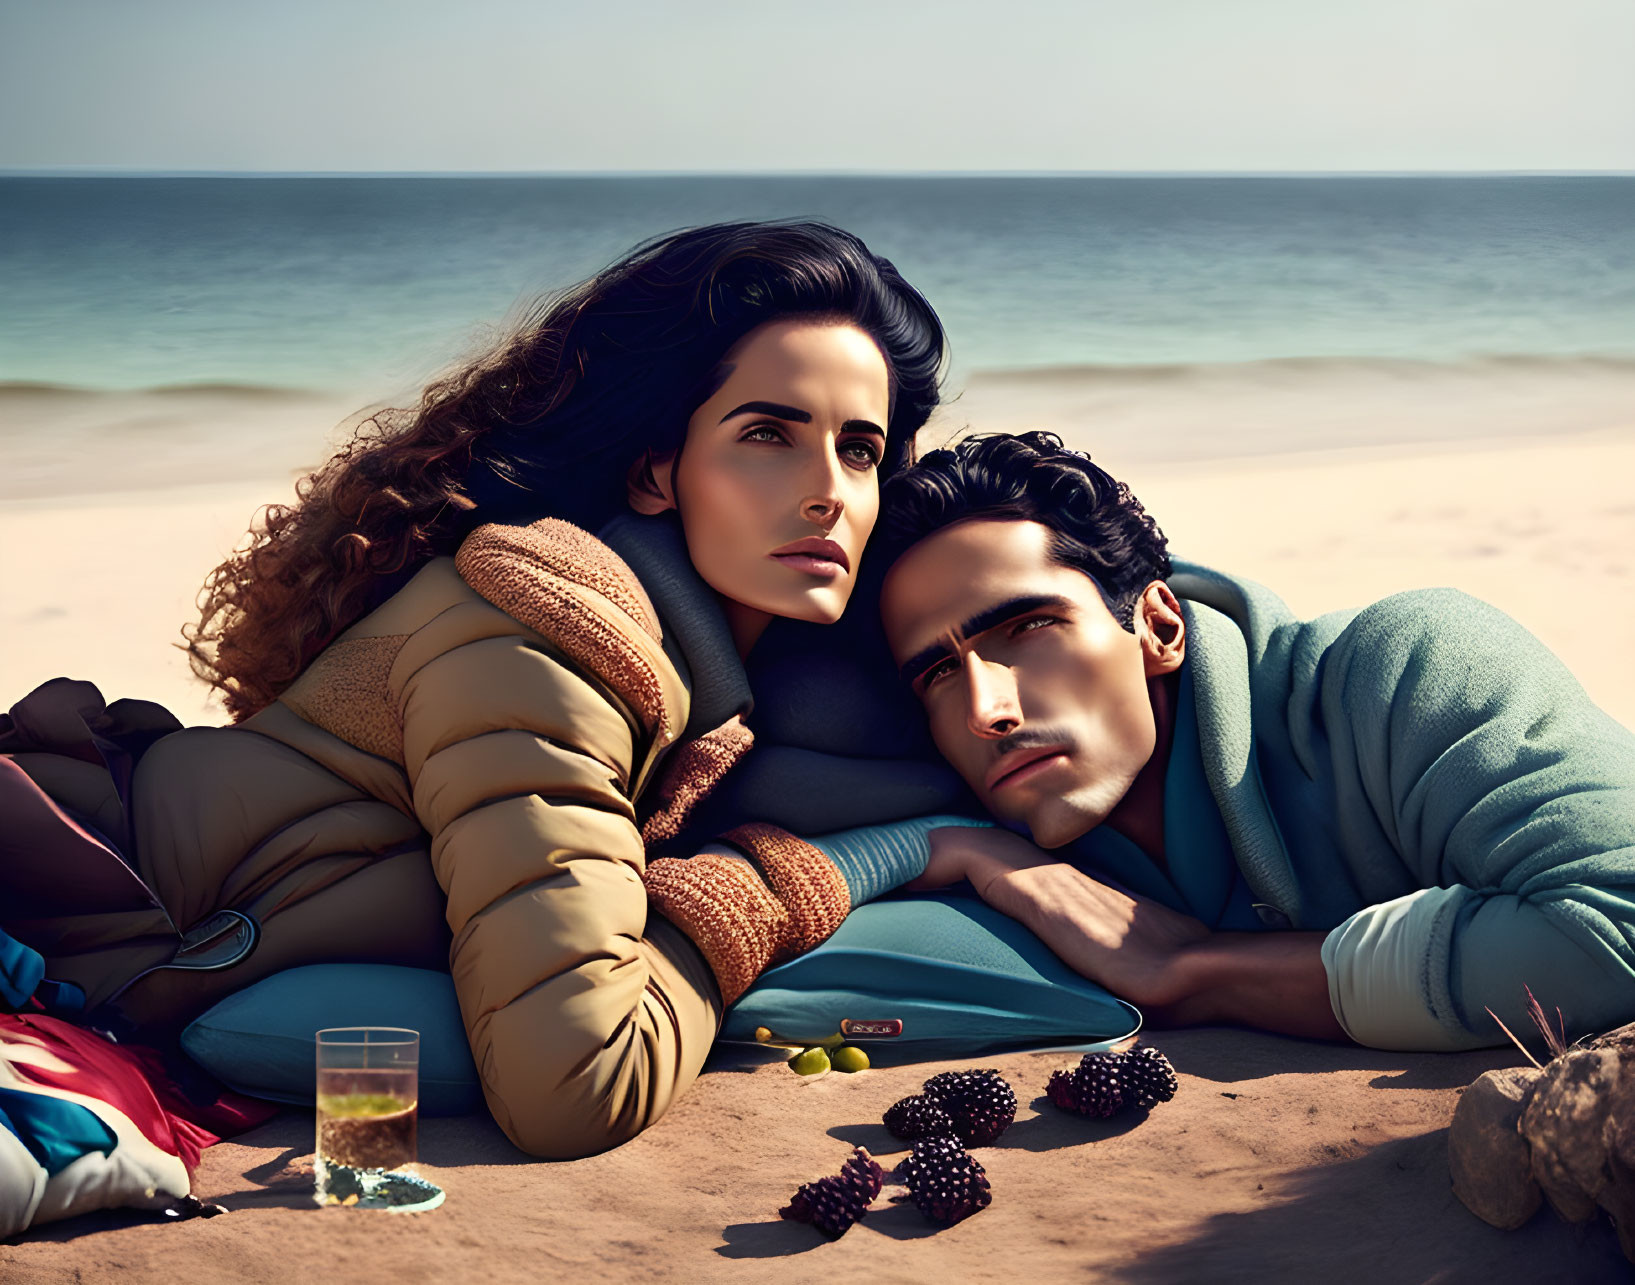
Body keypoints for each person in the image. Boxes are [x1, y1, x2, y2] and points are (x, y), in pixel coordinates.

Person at [0, 221, 979, 1160]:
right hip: (68, 933)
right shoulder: (545, 652)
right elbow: (579, 1087)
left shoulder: (697, 679)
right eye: (769, 433)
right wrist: (796, 877)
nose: (829, 491)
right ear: (655, 470)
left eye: (860, 449)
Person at [874, 431, 1635, 1051]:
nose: (985, 709)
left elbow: (1614, 928)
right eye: (938, 672)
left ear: (1159, 627)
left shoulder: (1407, 668)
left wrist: (1197, 971)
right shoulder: (990, 832)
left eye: (1029, 628)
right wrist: (963, 850)